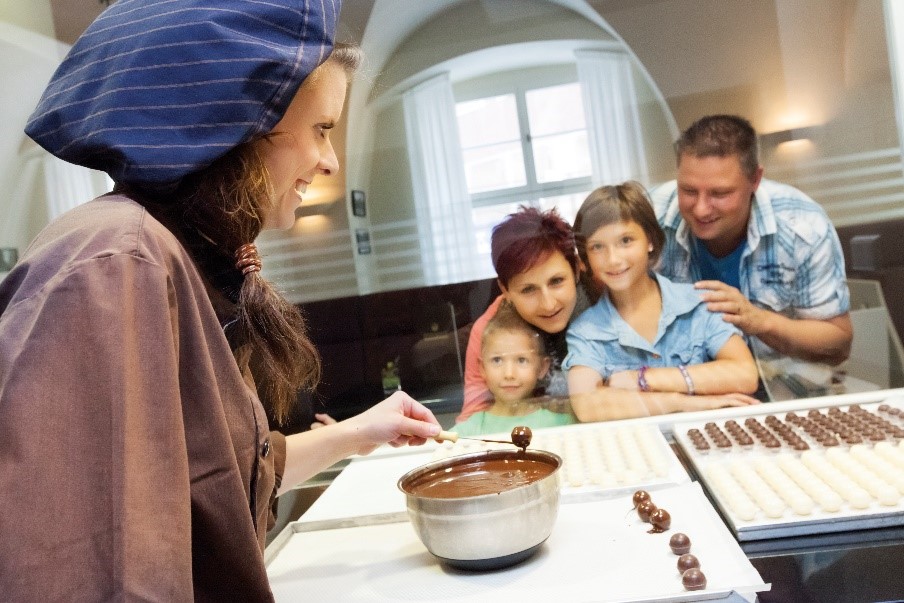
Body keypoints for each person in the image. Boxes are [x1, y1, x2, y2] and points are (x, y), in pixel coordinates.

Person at [0, 2, 440, 600]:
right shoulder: (118, 261)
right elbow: (97, 570)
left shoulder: (171, 253)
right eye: (321, 129)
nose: (329, 159)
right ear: (239, 122)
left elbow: (227, 475)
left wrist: (361, 432)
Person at [649, 114, 853, 365]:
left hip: (784, 390)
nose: (701, 209)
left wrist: (760, 321)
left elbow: (839, 344)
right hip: (684, 392)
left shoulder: (803, 225)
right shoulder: (648, 220)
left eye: (720, 193)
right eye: (688, 191)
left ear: (755, 180)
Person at [564, 182, 760, 422]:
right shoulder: (585, 331)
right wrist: (684, 403)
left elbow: (745, 374)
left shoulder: (699, 302)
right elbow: (589, 406)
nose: (613, 259)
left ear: (650, 240)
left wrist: (643, 379)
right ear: (586, 257)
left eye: (626, 241)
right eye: (597, 247)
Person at [459, 206, 599, 423]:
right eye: (528, 289)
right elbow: (474, 417)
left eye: (557, 281)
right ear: (505, 291)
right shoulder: (491, 330)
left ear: (576, 271)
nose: (548, 304)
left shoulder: (601, 305)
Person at [455, 303, 575, 436]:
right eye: (497, 360)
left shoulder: (562, 425)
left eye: (521, 360)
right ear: (482, 368)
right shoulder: (468, 431)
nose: (509, 374)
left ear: (542, 368)